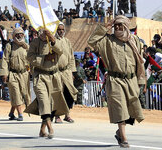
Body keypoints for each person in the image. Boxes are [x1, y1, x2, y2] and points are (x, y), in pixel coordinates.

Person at [88, 15, 145, 148]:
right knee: (120, 109)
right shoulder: (107, 40)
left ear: (126, 26)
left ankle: (120, 132)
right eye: (116, 25)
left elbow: (139, 62)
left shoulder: (135, 40)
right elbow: (91, 42)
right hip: (115, 80)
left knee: (131, 109)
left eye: (121, 25)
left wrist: (141, 80)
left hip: (131, 80)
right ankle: (124, 138)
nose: (118, 27)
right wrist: (104, 28)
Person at [25, 28, 68, 139]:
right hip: (40, 77)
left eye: (47, 31)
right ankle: (50, 128)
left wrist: (52, 40)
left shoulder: (56, 41)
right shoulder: (35, 43)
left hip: (54, 77)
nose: (45, 33)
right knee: (44, 102)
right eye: (43, 31)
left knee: (52, 104)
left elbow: (60, 51)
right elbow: (29, 57)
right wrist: (43, 58)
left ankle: (42, 130)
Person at [0, 28, 30, 121]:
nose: (19, 36)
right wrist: (4, 74)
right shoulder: (10, 46)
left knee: (22, 94)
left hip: (24, 74)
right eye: (17, 34)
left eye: (21, 34)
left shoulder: (26, 47)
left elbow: (32, 60)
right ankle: (20, 114)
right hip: (13, 74)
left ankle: (12, 112)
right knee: (16, 93)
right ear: (13, 36)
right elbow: (4, 60)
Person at [54, 23, 78, 124]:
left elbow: (71, 57)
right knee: (59, 94)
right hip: (57, 71)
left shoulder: (67, 41)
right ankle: (57, 115)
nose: (61, 31)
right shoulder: (53, 41)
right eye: (59, 30)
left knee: (69, 93)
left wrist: (72, 72)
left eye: (62, 29)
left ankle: (67, 114)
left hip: (67, 71)